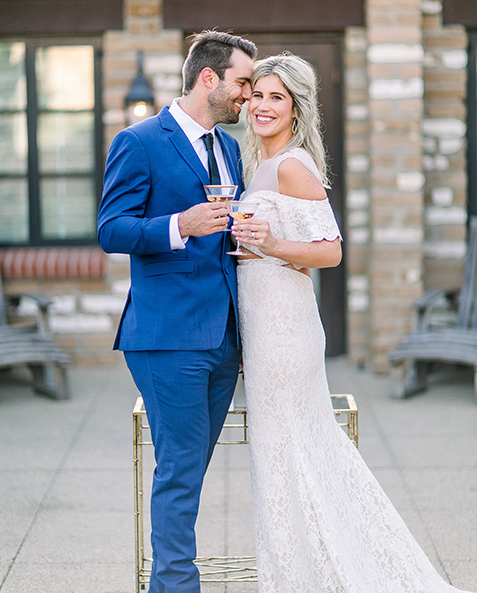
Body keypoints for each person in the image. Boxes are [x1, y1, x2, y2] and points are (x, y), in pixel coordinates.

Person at [231, 52, 474, 593]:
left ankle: (315, 575)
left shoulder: (293, 164)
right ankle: (302, 573)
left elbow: (331, 251)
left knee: (292, 455)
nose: (264, 106)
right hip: (264, 328)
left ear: (296, 110)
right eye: (259, 95)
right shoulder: (256, 166)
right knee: (281, 460)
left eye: (278, 97)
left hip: (286, 331)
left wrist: (270, 244)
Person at [97, 30, 257, 593]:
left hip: (223, 339)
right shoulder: (139, 141)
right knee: (180, 473)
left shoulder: (230, 148)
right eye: (242, 82)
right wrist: (178, 225)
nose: (249, 95)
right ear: (208, 78)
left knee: (189, 470)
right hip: (167, 338)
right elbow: (110, 229)